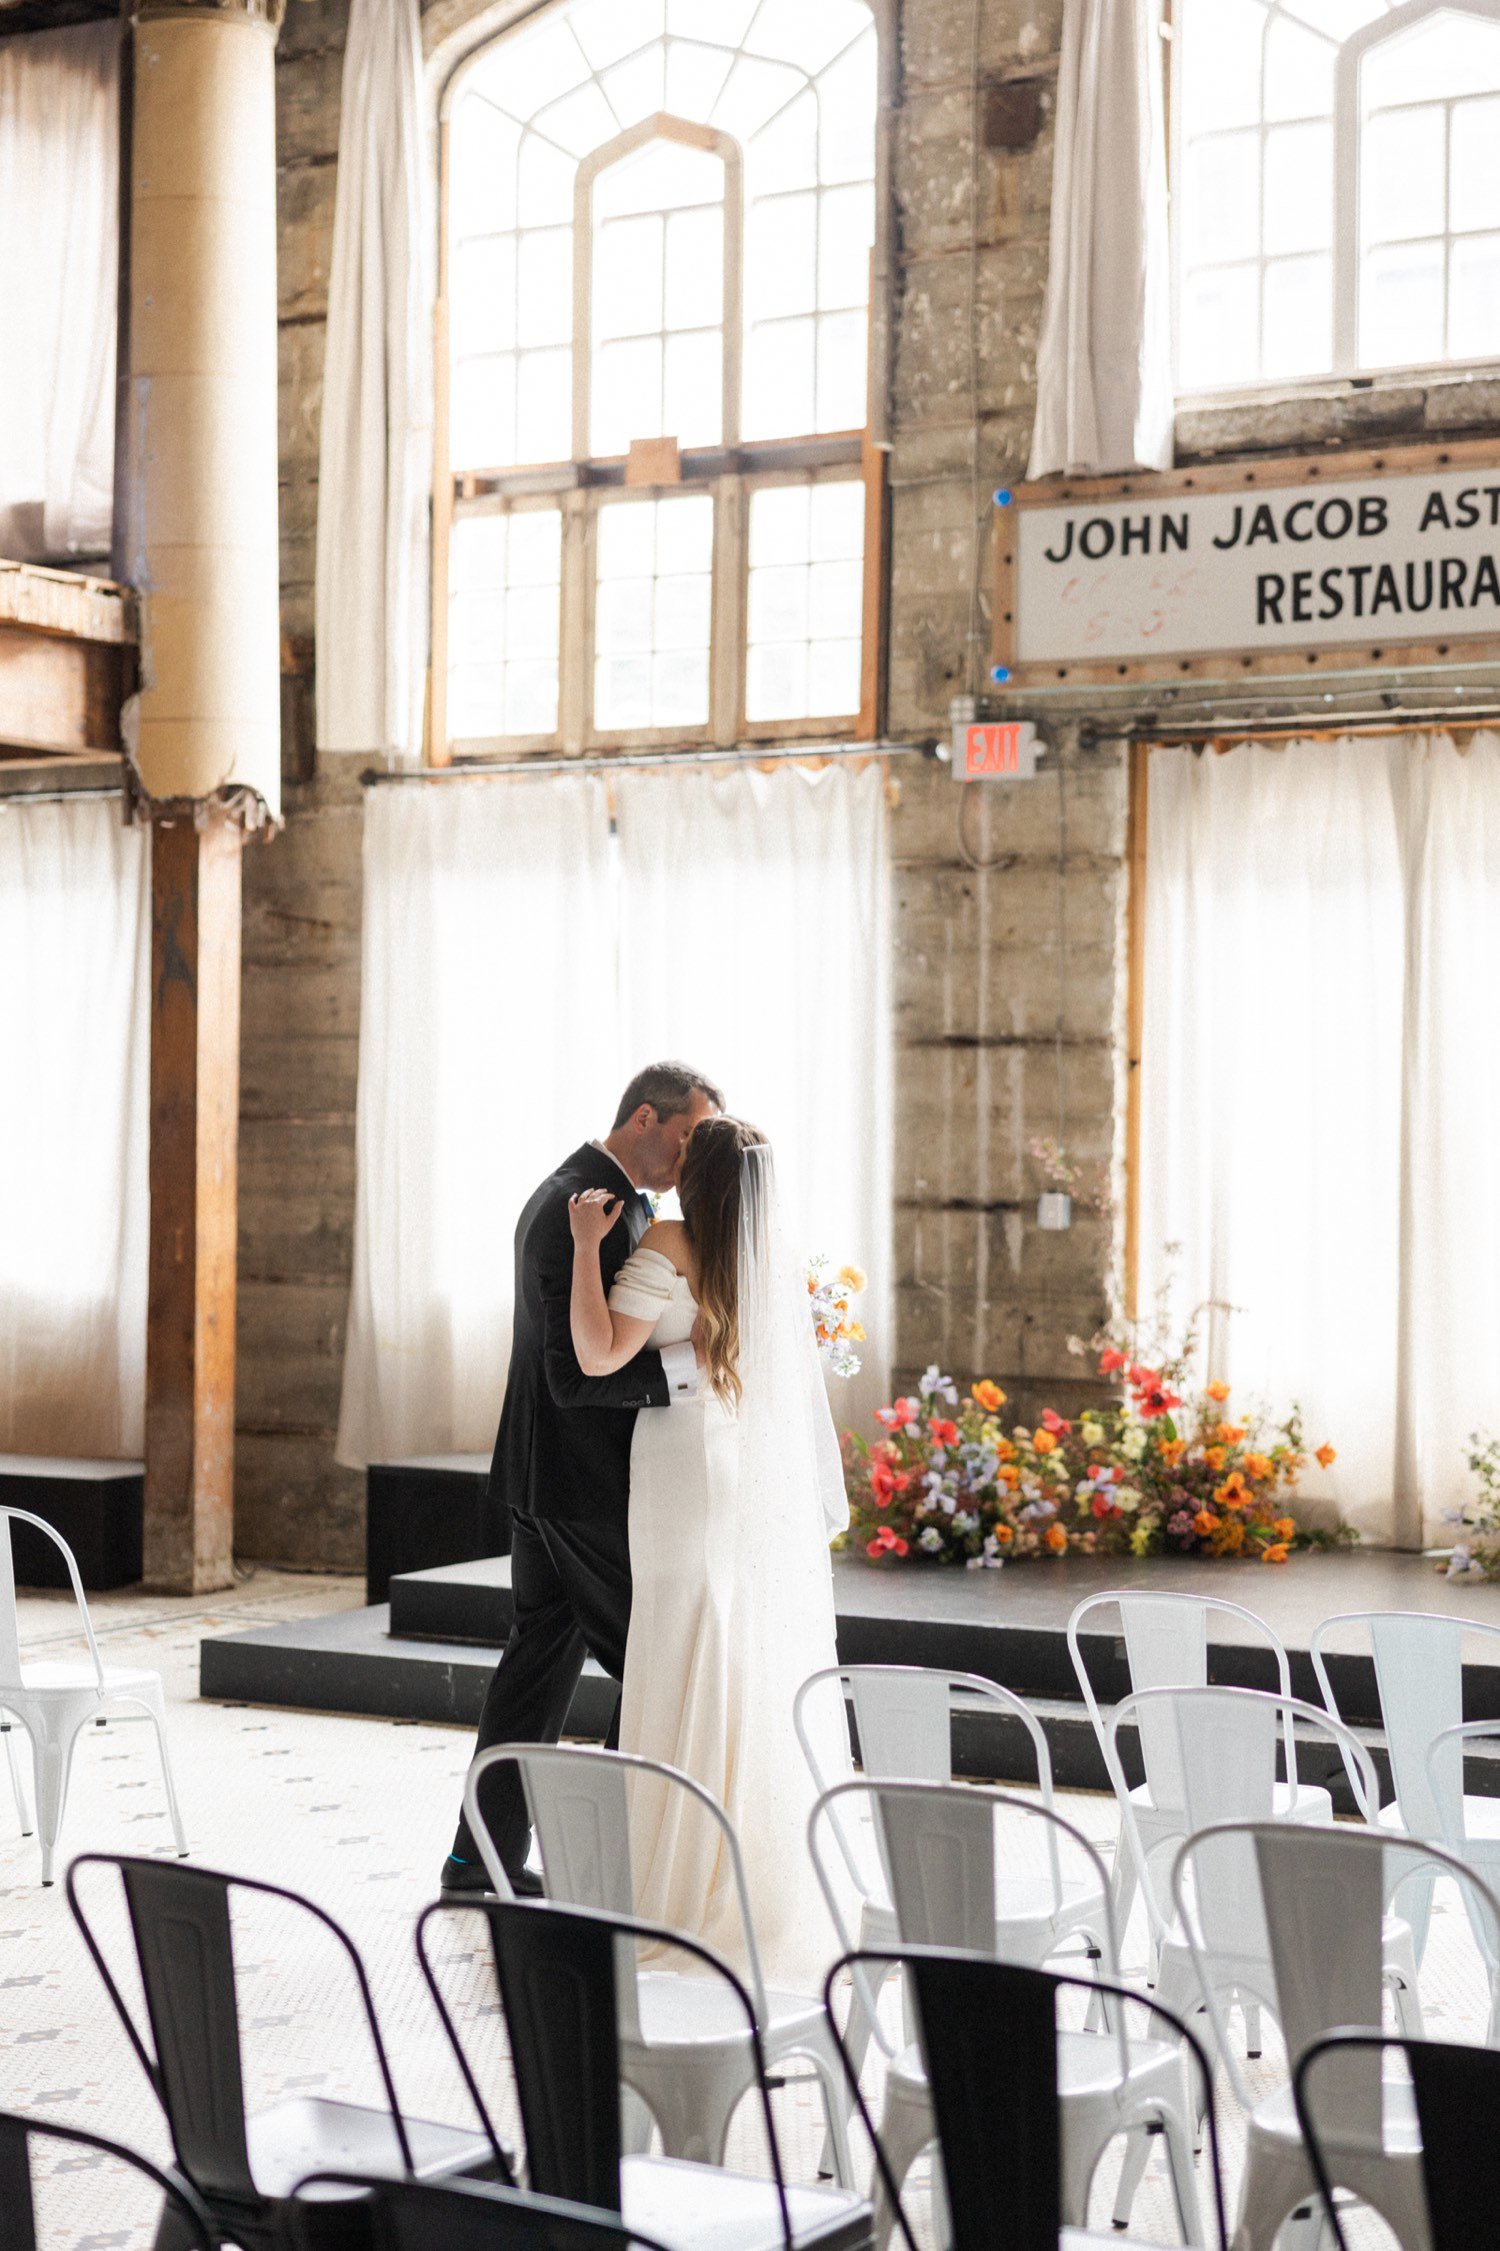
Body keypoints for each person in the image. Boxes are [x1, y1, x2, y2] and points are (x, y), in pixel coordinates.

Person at [567, 1114, 852, 1989]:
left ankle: (680, 1879)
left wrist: (587, 1247)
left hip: (676, 1473)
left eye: (686, 1157)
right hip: (725, 1458)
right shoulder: (750, 1255)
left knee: (681, 1643)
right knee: (723, 1646)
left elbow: (596, 1351)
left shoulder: (674, 1242)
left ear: (703, 1179)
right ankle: (741, 1857)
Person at [442, 1061, 722, 1899]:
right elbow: (572, 1374)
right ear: (645, 1117)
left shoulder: (616, 1204)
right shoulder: (579, 1207)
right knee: (656, 1665)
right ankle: (611, 1859)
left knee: (536, 1673)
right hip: (573, 1483)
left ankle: (476, 1862)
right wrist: (687, 1369)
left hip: (550, 1478)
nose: (690, 1154)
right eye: (685, 1136)